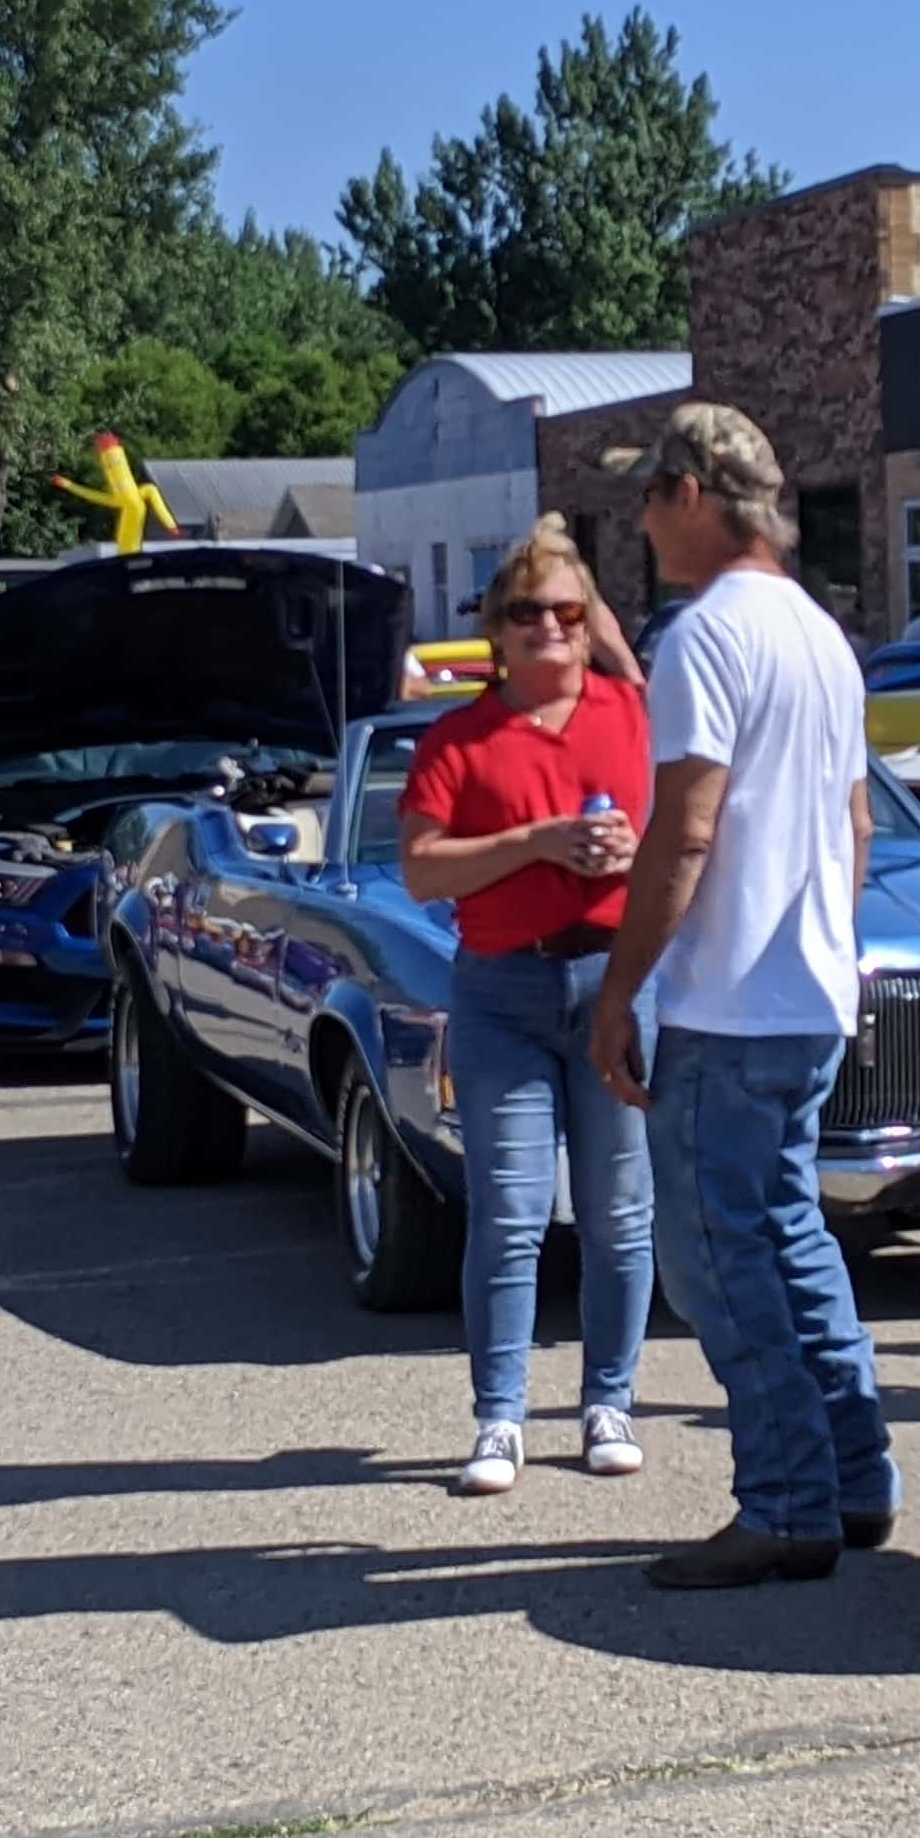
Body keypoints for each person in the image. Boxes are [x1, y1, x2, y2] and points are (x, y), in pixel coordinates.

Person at [589, 403, 891, 1589]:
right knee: (791, 1235)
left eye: (651, 496)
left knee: (718, 1257)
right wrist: (825, 937)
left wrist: (623, 990)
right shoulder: (823, 634)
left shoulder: (705, 635)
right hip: (810, 988)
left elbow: (688, 826)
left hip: (732, 1001)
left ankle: (786, 1503)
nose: (644, 521)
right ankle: (855, 1477)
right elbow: (856, 824)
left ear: (695, 494)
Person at [400, 516, 656, 1498]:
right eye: (525, 612)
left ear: (589, 623)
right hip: (502, 990)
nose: (548, 626)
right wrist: (542, 841)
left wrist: (630, 853)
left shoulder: (629, 713)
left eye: (565, 611)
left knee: (617, 1213)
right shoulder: (460, 737)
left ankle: (609, 1401)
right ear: (496, 631)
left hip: (617, 984)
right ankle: (500, 1418)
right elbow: (424, 870)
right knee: (508, 1213)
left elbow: (683, 823)